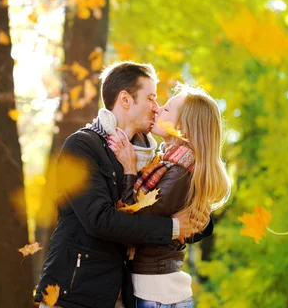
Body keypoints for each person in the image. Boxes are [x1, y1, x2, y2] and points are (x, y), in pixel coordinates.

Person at [34, 62, 211, 308]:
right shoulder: (82, 147)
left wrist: (196, 223)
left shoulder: (150, 159)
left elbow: (186, 213)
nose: (156, 107)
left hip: (121, 294)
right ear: (126, 100)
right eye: (150, 98)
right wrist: (172, 227)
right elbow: (100, 221)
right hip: (73, 293)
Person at [107, 83, 232, 308]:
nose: (158, 109)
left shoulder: (180, 172)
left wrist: (129, 170)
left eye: (166, 109)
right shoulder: (167, 164)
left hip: (157, 292)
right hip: (154, 287)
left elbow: (135, 224)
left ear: (182, 127)